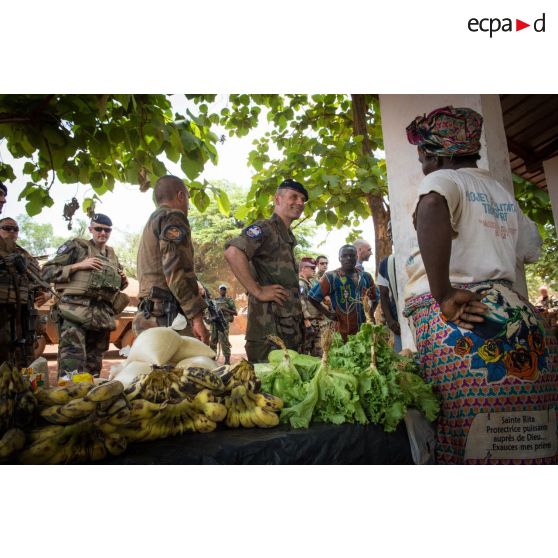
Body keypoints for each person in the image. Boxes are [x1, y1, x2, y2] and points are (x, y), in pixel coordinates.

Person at [404, 105, 558, 464]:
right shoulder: (501, 192)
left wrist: (442, 293)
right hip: (518, 318)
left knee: (468, 436)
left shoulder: (442, 181)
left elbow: (431, 207)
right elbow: (529, 248)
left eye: (422, 155)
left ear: (432, 152)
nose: (422, 164)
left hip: (464, 316)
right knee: (528, 439)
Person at [224, 178, 306, 363]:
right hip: (269, 333)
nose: (300, 203)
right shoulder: (265, 228)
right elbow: (233, 252)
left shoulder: (286, 236)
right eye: (294, 197)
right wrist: (257, 290)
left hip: (286, 329)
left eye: (302, 199)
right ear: (277, 199)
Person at [42, 213, 129, 377]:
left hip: (101, 318)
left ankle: (89, 399)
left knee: (93, 369)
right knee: (71, 367)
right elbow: (46, 272)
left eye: (107, 230)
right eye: (98, 229)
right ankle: (68, 398)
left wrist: (122, 280)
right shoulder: (77, 247)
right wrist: (78, 266)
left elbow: (114, 286)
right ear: (91, 229)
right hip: (74, 314)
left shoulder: (112, 255)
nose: (103, 233)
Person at [134, 175, 209, 344]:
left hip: (149, 314)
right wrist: (196, 317)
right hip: (168, 317)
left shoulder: (152, 221)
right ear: (180, 196)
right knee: (197, 365)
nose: (188, 205)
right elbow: (176, 269)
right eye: (188, 198)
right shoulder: (173, 216)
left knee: (155, 370)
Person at [0, 216, 52, 364]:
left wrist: (47, 294)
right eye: (6, 228)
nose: (11, 231)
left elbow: (43, 282)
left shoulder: (25, 255)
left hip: (21, 313)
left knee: (21, 354)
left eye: (15, 229)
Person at [309, 244, 376, 341]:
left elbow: (375, 298)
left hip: (364, 333)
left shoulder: (366, 277)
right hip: (342, 333)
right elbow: (312, 297)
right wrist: (328, 313)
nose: (348, 258)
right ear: (339, 258)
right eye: (344, 256)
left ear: (356, 257)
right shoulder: (331, 277)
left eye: (352, 255)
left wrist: (371, 314)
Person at [376, 222, 401, 352]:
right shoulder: (386, 264)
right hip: (399, 324)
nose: (392, 235)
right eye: (390, 232)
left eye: (395, 230)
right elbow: (384, 296)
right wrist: (390, 321)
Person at [298, 257, 323, 357]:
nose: (314, 270)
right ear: (303, 268)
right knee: (306, 350)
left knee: (316, 351)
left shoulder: (309, 283)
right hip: (308, 322)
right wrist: (306, 321)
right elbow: (301, 302)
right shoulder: (301, 284)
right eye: (312, 268)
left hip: (314, 321)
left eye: (315, 268)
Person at [209, 284, 237, 365]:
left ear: (226, 291)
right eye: (221, 289)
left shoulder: (229, 300)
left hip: (223, 324)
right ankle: (212, 359)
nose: (222, 291)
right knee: (213, 341)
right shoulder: (215, 300)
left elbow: (235, 313)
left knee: (224, 342)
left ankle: (227, 360)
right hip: (214, 323)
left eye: (224, 289)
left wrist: (225, 309)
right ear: (219, 290)